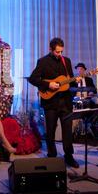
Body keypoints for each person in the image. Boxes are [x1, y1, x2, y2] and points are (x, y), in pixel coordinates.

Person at [29, 37, 80, 168]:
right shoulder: (43, 62)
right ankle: (52, 154)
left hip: (66, 102)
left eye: (61, 51)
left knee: (67, 131)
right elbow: (33, 79)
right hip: (50, 102)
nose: (60, 54)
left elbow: (70, 80)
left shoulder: (66, 61)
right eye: (57, 52)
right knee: (50, 130)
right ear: (50, 49)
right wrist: (48, 84)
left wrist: (76, 80)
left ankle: (69, 156)